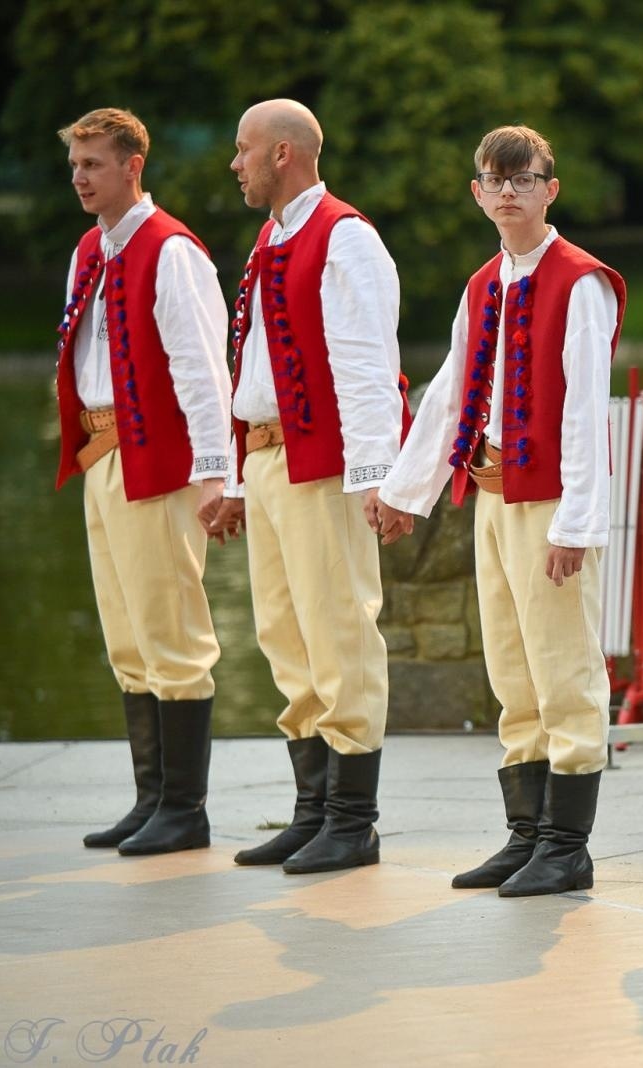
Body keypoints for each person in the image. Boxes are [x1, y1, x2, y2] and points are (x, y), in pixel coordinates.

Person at [376, 126, 625, 897]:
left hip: (549, 501)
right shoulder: (485, 282)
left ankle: (566, 844)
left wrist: (577, 526)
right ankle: (525, 834)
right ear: (479, 193)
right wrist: (404, 491)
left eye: (526, 177)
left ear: (552, 189)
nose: (510, 190)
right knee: (513, 672)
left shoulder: (578, 281)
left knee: (564, 671)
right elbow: (453, 388)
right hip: (489, 495)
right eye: (496, 178)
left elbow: (585, 409)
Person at [214, 99, 406, 875]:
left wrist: (373, 477)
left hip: (321, 465)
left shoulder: (345, 238)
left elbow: (365, 364)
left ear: (284, 153)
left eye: (244, 149)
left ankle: (353, 822)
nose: (235, 164)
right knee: (283, 635)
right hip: (266, 461)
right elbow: (249, 367)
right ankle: (312, 811)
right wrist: (234, 474)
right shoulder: (271, 237)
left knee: (338, 631)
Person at [54, 108, 230, 857]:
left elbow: (201, 368)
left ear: (132, 165)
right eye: (74, 166)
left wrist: (215, 471)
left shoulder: (172, 250)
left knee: (171, 631)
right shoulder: (89, 250)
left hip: (156, 457)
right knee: (127, 636)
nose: (80, 178)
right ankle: (151, 798)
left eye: (93, 164)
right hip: (101, 453)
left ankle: (185, 810)